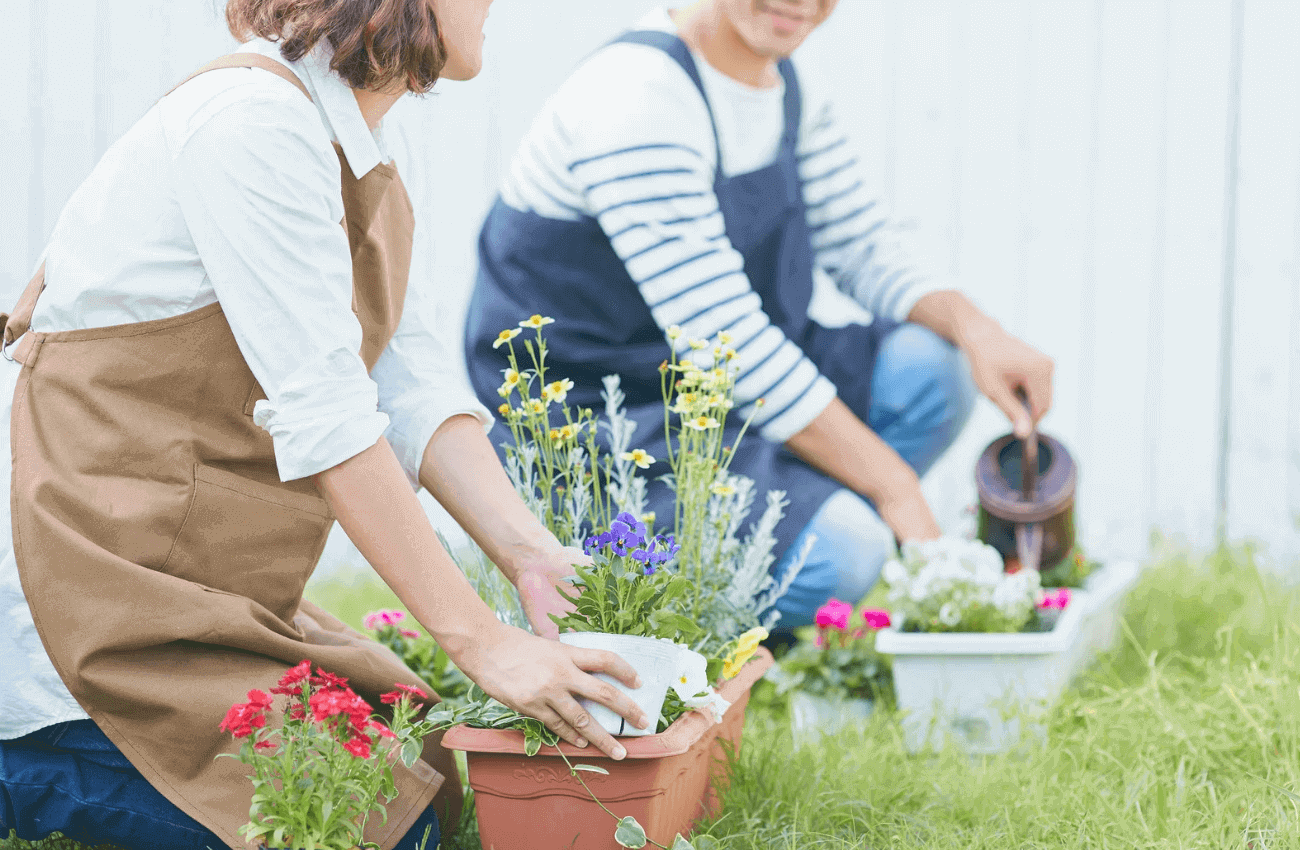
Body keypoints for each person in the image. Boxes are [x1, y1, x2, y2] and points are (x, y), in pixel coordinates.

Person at [0, 2, 649, 848]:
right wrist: (486, 645)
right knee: (358, 824)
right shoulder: (250, 126)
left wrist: (529, 555)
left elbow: (401, 378)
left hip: (186, 582)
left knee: (424, 777)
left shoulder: (347, 135)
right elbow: (330, 419)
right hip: (83, 602)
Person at [463, 0, 1055, 632]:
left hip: (719, 397)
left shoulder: (781, 85)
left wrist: (976, 328)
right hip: (609, 425)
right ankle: (703, 636)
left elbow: (862, 247)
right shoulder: (635, 99)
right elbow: (727, 341)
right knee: (846, 551)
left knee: (934, 368)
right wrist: (895, 491)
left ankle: (794, 547)